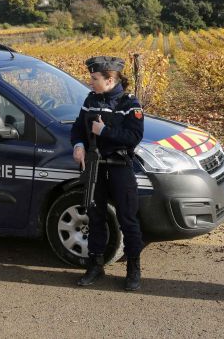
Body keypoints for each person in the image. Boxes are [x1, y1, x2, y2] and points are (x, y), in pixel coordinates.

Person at [71, 56, 145, 291]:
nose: (90, 82)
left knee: (127, 219)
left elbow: (133, 137)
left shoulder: (129, 103)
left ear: (110, 79)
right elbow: (77, 127)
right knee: (95, 217)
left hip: (119, 167)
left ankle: (133, 269)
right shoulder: (91, 99)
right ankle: (95, 265)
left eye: (94, 78)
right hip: (95, 166)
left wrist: (105, 131)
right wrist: (78, 145)